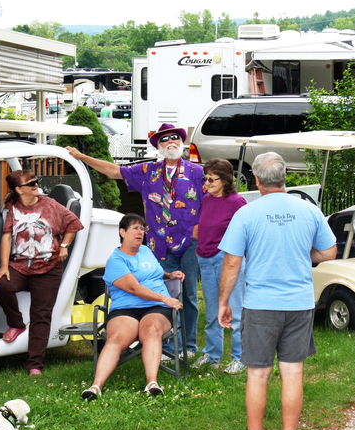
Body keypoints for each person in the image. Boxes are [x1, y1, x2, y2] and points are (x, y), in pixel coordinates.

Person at [217, 152, 337, 430]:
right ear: (284, 178)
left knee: (257, 374)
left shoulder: (246, 213)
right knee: (293, 371)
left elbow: (232, 262)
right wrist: (304, 253)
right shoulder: (309, 210)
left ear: (256, 180)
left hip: (260, 304)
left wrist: (222, 302)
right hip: (298, 303)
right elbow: (329, 251)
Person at [66, 123, 204, 357]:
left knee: (189, 294)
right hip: (159, 245)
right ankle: (168, 347)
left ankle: (189, 346)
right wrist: (81, 157)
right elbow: (113, 171)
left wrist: (199, 231)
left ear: (182, 143)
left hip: (189, 243)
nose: (171, 142)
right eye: (165, 140)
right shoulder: (148, 171)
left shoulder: (197, 172)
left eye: (175, 138)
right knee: (167, 293)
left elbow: (211, 201)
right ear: (159, 146)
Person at [81, 213, 185, 400]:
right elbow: (134, 288)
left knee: (152, 330)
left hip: (155, 307)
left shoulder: (145, 250)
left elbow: (155, 271)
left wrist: (169, 275)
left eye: (142, 228)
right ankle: (95, 387)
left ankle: (152, 383)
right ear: (122, 232)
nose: (140, 232)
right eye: (135, 228)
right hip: (126, 308)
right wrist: (165, 298)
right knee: (116, 337)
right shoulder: (116, 260)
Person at [0, 170, 84, 376]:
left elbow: (73, 223)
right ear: (18, 189)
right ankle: (16, 323)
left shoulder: (50, 204)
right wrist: (4, 266)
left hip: (49, 267)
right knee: (1, 285)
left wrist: (64, 246)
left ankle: (35, 364)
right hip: (19, 266)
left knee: (40, 314)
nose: (36, 185)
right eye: (31, 183)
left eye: (36, 182)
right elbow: (7, 237)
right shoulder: (11, 208)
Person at [192, 158, 248, 374]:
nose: (207, 182)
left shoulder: (237, 202)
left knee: (235, 310)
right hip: (205, 260)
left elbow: (244, 234)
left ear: (225, 180)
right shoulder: (206, 199)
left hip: (227, 261)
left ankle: (240, 357)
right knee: (213, 311)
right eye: (205, 178)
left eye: (212, 179)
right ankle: (212, 354)